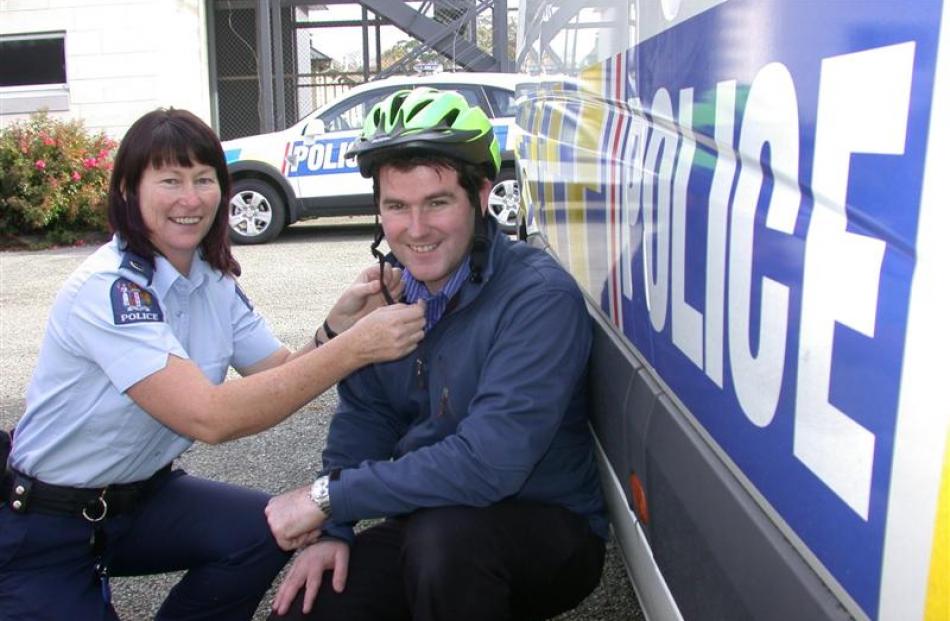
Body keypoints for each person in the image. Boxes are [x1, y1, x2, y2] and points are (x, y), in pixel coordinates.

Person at [0, 107, 425, 620]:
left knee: (265, 529)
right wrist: (354, 347)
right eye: (170, 180)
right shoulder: (109, 289)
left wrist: (336, 327)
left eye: (204, 179)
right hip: (45, 526)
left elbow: (274, 375)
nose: (191, 198)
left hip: (140, 503)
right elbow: (210, 416)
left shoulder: (211, 279)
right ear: (128, 191)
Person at [264, 87, 608, 621]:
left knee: (443, 544)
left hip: (546, 528)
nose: (415, 230)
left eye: (438, 202)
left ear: (481, 195)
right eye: (396, 206)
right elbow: (366, 415)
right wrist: (332, 532)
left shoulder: (536, 297)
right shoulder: (389, 296)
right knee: (314, 608)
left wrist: (328, 498)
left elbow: (487, 464)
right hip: (430, 518)